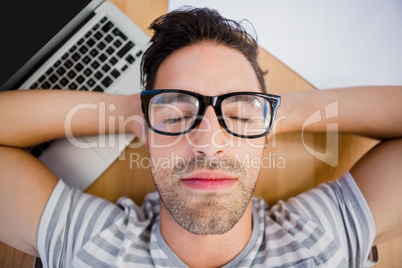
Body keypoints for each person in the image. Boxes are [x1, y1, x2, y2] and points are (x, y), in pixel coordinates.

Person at [0, 7, 401, 268]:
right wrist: (138, 111)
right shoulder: (88, 247)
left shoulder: (320, 243)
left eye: (239, 115)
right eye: (177, 116)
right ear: (145, 133)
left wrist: (270, 111)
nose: (209, 143)